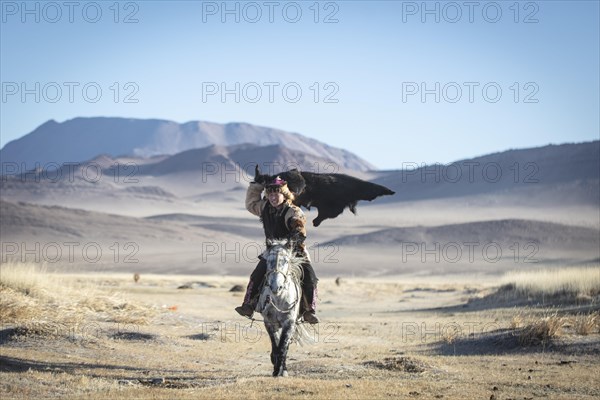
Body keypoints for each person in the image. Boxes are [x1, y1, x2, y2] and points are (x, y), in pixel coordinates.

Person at [235, 175, 320, 324]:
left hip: (294, 252)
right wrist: (257, 186)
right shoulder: (265, 207)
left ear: (284, 194)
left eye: (276, 194)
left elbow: (300, 232)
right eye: (270, 194)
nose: (273, 197)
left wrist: (291, 241)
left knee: (310, 278)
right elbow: (251, 204)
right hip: (272, 252)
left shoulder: (294, 212)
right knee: (256, 276)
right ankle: (249, 305)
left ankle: (308, 311)